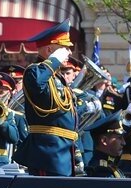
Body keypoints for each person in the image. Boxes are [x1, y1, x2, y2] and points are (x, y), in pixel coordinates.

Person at [14, 20, 86, 176]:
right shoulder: (34, 71)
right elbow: (38, 84)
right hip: (47, 153)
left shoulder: (56, 77)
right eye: (64, 48)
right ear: (49, 50)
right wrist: (54, 60)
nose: (69, 52)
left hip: (64, 150)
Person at [84, 113, 127, 177]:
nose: (124, 143)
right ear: (104, 140)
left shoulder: (110, 167)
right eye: (119, 138)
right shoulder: (101, 171)